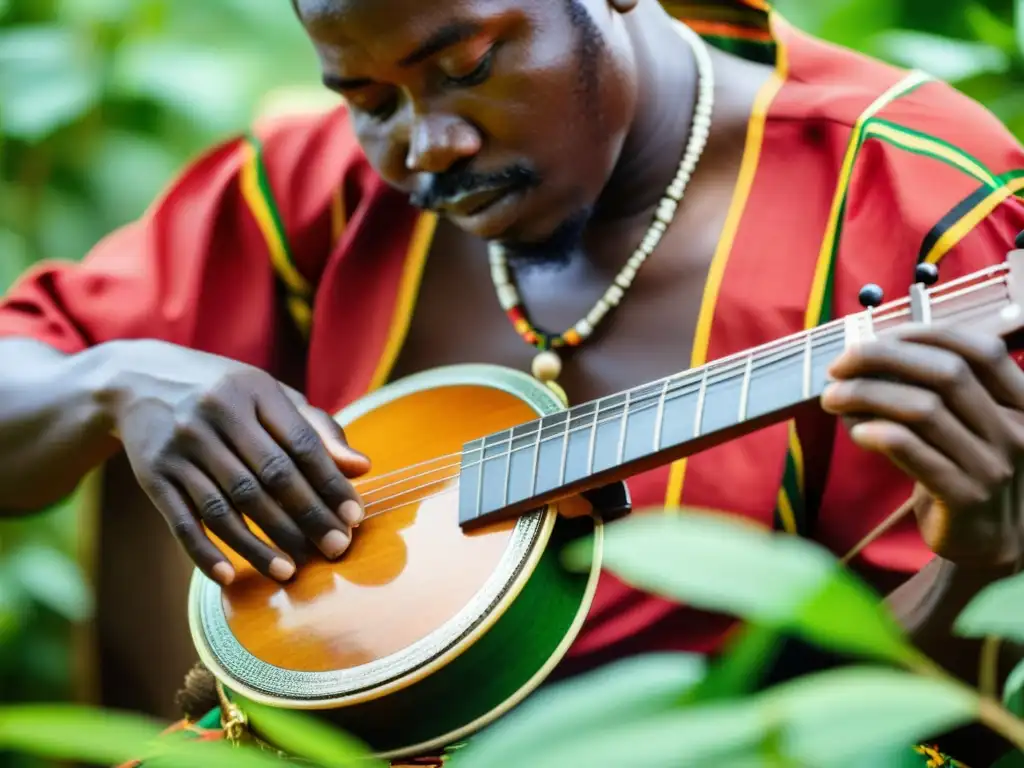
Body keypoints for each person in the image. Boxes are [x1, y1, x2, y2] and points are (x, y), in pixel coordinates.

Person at [1, 0, 1023, 765]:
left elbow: (923, 727)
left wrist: (975, 564)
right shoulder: (322, 185)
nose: (423, 147)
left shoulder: (904, 190)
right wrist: (117, 384)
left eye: (466, 65)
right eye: (364, 99)